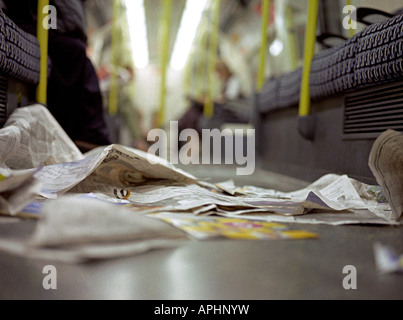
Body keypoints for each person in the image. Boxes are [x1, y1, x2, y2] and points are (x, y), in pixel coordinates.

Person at [3, 0, 111, 152]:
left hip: (55, 27)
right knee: (74, 54)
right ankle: (79, 136)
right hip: (39, 23)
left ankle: (92, 137)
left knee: (82, 63)